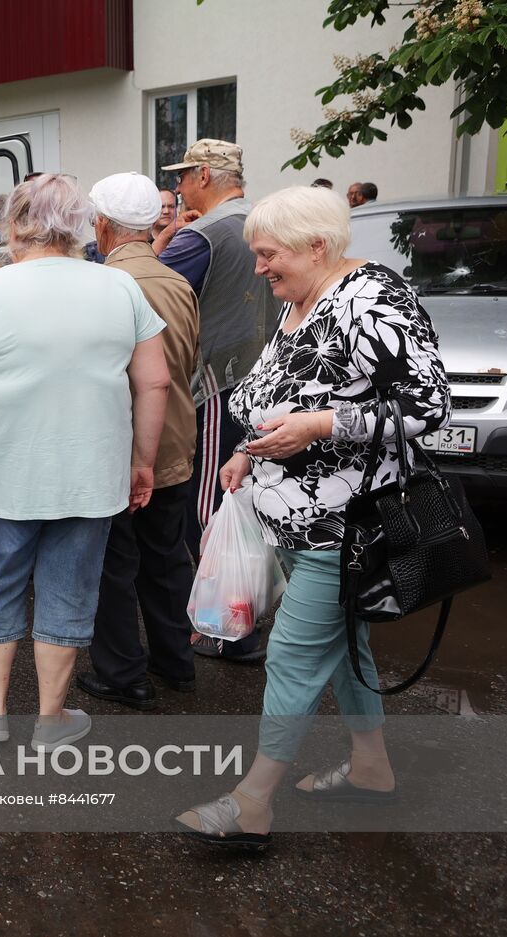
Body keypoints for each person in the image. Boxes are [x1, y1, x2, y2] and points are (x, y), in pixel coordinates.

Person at [174, 185, 451, 850]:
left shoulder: (371, 298)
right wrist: (248, 448)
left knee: (296, 653)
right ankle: (372, 767)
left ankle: (252, 804)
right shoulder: (306, 298)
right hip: (295, 520)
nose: (260, 268)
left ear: (317, 247)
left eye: (269, 255)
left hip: (346, 525)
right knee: (341, 647)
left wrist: (319, 425)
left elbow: (429, 406)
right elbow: (281, 389)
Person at [0, 174, 170, 750]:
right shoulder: (119, 289)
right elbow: (156, 382)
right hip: (91, 473)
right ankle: (50, 719)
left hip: (5, 471)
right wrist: (143, 463)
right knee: (69, 590)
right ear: (81, 225)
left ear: (13, 226)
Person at [77, 172, 201, 710]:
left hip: (120, 450)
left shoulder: (100, 286)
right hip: (175, 443)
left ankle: (124, 673)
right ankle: (176, 662)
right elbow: (188, 364)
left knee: (113, 565)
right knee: (167, 560)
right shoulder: (178, 283)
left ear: (103, 226)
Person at [154, 138, 279, 663]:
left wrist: (161, 242)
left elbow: (147, 292)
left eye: (183, 177)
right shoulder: (266, 222)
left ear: (205, 175)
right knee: (246, 502)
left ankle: (229, 628)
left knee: (209, 507)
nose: (179, 188)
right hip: (266, 382)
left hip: (217, 386)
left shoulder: (203, 235)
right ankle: (245, 616)